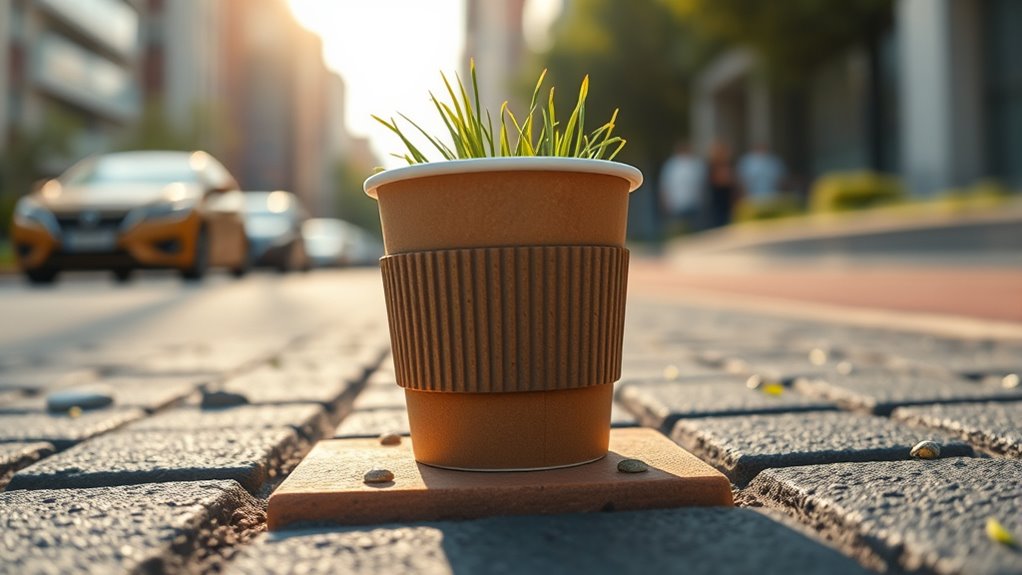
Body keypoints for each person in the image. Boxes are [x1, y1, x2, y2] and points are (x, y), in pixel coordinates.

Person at [658, 141, 705, 234]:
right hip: (677, 205)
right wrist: (665, 203)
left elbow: (701, 184)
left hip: (693, 203)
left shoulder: (695, 164)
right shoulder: (671, 165)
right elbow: (665, 186)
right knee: (680, 229)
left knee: (695, 230)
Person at [706, 142, 737, 228]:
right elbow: (716, 180)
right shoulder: (712, 165)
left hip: (728, 197)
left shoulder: (729, 163)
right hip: (718, 198)